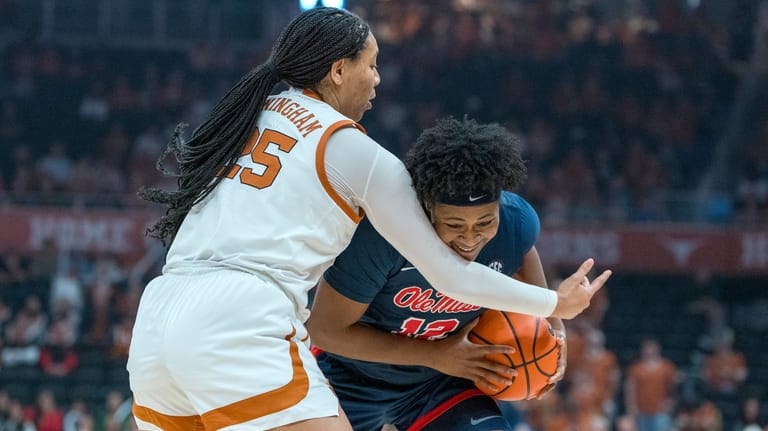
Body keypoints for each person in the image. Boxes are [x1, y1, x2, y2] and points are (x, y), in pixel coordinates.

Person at [127, 6, 611, 431]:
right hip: (240, 318)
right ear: (338, 70)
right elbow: (447, 274)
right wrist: (554, 303)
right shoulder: (356, 151)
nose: (377, 78)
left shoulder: (248, 115)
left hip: (159, 318)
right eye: (371, 65)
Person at [306, 116, 569, 431]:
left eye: (485, 222)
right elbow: (324, 330)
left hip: (440, 384)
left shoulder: (516, 223)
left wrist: (555, 334)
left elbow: (523, 251)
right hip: (350, 376)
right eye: (455, 225)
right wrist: (436, 354)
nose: (470, 238)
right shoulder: (379, 236)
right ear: (428, 208)